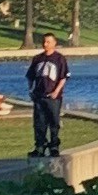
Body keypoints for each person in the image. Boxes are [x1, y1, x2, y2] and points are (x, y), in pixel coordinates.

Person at [27, 32, 70, 162]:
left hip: (53, 97)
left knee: (54, 122)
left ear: (54, 43)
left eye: (48, 42)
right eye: (44, 42)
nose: (45, 44)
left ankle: (54, 146)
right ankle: (40, 146)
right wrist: (31, 90)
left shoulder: (59, 59)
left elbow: (63, 77)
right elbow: (30, 76)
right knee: (39, 123)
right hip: (39, 96)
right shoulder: (37, 59)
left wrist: (56, 91)